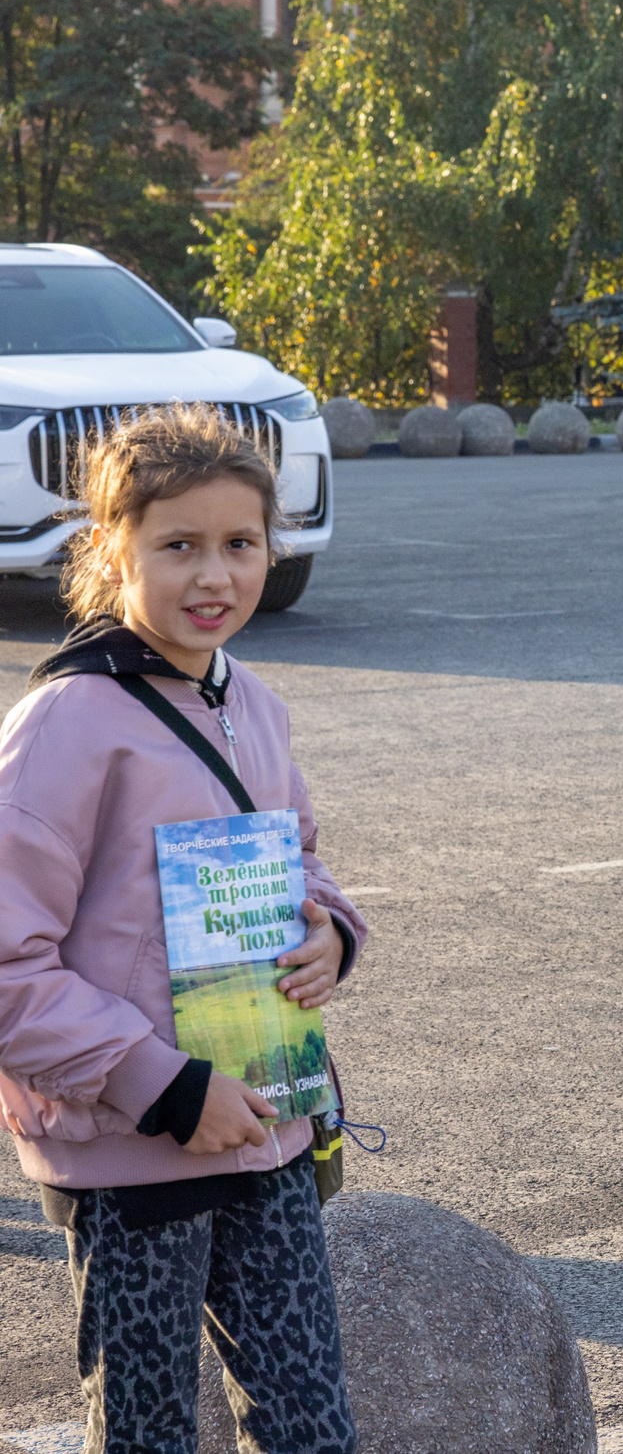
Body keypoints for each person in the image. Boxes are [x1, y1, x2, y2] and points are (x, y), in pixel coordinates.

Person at [0, 403, 366, 1452]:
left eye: (240, 544)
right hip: (130, 1154)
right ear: (111, 552)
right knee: (147, 1432)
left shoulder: (254, 700)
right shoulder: (68, 722)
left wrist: (330, 931)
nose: (215, 576)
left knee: (309, 1426)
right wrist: (162, 1084)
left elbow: (300, 857)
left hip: (266, 1127)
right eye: (179, 546)